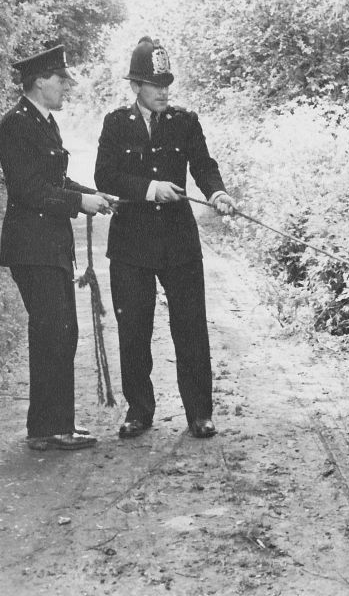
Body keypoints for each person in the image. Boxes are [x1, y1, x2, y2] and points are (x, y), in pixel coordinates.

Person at [94, 36, 237, 440]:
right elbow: (105, 177)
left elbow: (204, 165)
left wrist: (217, 192)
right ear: (136, 86)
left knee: (190, 327)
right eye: (155, 84)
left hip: (179, 244)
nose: (163, 91)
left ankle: (199, 413)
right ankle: (139, 411)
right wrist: (148, 188)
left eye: (167, 83)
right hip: (131, 246)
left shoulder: (185, 121)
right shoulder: (115, 123)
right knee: (134, 328)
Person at [0, 44, 111, 451]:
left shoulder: (44, 122)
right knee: (54, 331)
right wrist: (79, 202)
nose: (66, 87)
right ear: (40, 81)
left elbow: (56, 181)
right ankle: (50, 429)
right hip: (32, 247)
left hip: (50, 246)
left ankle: (50, 426)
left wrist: (93, 193)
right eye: (61, 80)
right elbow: (28, 190)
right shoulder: (16, 124)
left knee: (60, 332)